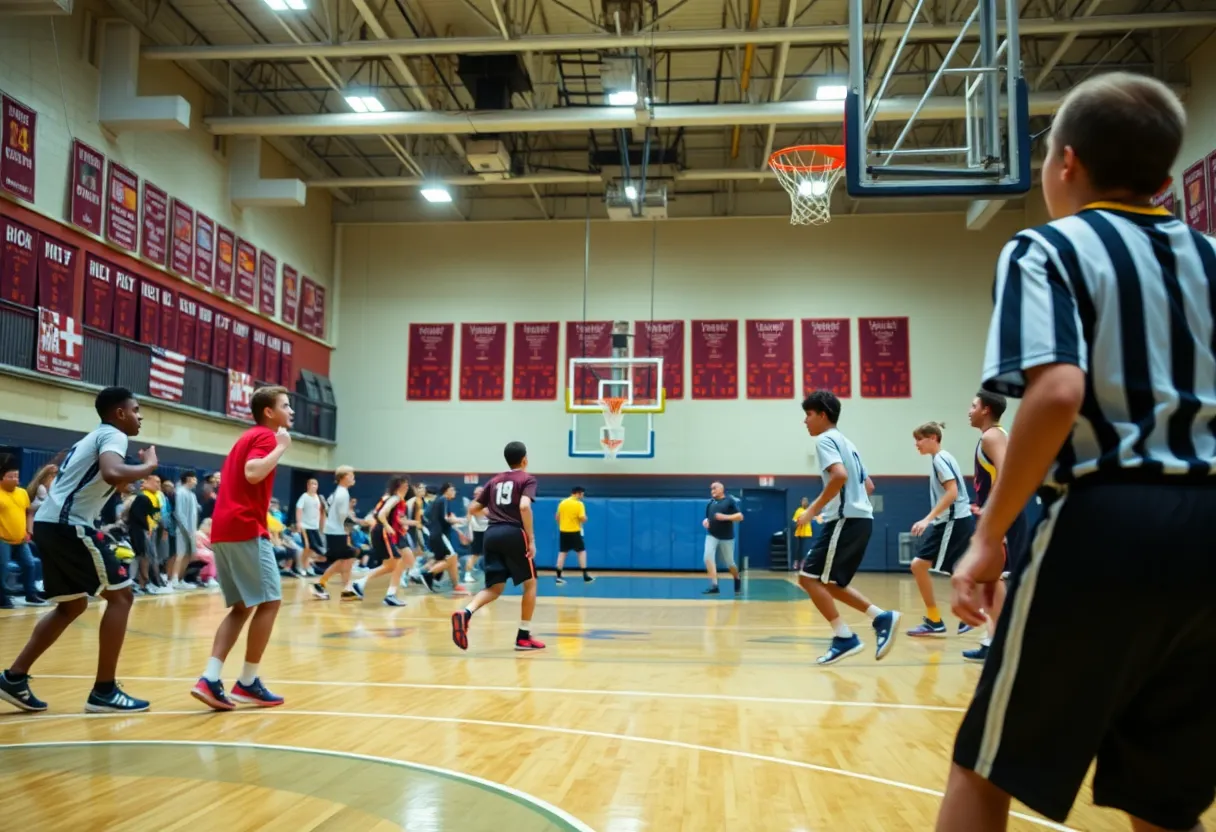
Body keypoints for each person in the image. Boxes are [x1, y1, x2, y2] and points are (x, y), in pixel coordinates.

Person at [938, 73, 1216, 832]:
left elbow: (1058, 391)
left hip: (1110, 515)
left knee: (985, 764)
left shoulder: (1047, 247)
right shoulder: (1209, 255)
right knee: (1165, 798)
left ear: (1065, 163)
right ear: (1164, 174)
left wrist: (989, 537)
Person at [0, 386, 158, 713]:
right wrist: (149, 466)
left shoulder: (96, 437)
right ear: (119, 413)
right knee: (122, 597)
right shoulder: (114, 435)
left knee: (71, 606)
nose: (140, 416)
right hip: (68, 525)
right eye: (136, 410)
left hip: (51, 524)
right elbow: (112, 472)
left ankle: (14, 677)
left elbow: (106, 478)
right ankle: (104, 691)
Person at [190, 385, 293, 711]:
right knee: (271, 601)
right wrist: (281, 448)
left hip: (224, 530)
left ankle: (210, 678)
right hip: (244, 527)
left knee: (242, 607)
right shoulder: (266, 436)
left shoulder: (246, 437)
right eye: (286, 405)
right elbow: (252, 473)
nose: (291, 411)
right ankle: (247, 682)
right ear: (269, 412)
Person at [796, 390, 899, 666]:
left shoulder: (825, 440)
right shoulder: (848, 443)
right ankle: (880, 617)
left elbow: (839, 476)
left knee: (808, 579)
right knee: (829, 583)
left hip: (845, 519)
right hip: (860, 519)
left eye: (808, 415)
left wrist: (813, 510)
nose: (805, 421)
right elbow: (869, 486)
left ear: (823, 415)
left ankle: (845, 637)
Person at [450, 441, 544, 652]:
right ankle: (523, 636)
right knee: (530, 583)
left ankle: (465, 612)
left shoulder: (495, 480)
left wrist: (493, 514)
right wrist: (531, 539)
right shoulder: (527, 479)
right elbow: (524, 506)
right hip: (513, 533)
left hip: (491, 534)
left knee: (494, 587)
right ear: (525, 460)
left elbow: (473, 508)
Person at [961, 391, 1028, 664]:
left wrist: (991, 510)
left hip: (1002, 517)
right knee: (989, 579)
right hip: (998, 515)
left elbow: (1006, 472)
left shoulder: (992, 436)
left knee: (991, 577)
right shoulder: (991, 436)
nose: (969, 410)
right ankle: (993, 640)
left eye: (973, 405)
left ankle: (1001, 641)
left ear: (986, 409)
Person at [905, 422, 975, 638]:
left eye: (920, 439)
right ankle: (940, 618)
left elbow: (952, 492)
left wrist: (927, 519)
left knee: (923, 566)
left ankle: (968, 612)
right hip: (956, 520)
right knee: (949, 568)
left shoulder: (940, 460)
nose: (916, 444)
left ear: (933, 437)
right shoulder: (944, 457)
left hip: (952, 521)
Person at [351, 476, 415, 607]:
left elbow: (384, 516)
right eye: (404, 484)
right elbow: (380, 515)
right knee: (396, 562)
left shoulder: (394, 499)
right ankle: (389, 593)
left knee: (398, 563)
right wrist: (387, 526)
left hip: (388, 532)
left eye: (407, 484)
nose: (407, 486)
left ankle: (362, 583)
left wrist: (405, 523)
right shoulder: (395, 498)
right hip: (384, 532)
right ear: (398, 485)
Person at [0, 457, 45, 608]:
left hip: (21, 538)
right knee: (2, 567)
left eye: (17, 476)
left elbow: (28, 513)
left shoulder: (22, 493)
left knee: (30, 564)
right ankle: (2, 597)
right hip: (2, 539)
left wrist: (28, 531)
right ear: (2, 478)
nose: (15, 479)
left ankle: (30, 594)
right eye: (11, 476)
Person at [313, 466, 358, 601]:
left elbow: (329, 506)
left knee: (346, 558)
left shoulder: (338, 492)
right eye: (351, 475)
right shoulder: (343, 494)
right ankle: (320, 584)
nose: (353, 477)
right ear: (343, 477)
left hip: (334, 530)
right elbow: (343, 515)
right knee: (346, 558)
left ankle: (347, 589)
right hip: (337, 531)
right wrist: (356, 524)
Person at [421, 482, 467, 594]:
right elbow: (447, 519)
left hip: (436, 534)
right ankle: (429, 574)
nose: (454, 492)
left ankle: (455, 585)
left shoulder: (439, 501)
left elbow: (427, 515)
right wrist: (461, 520)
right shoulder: (443, 500)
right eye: (452, 490)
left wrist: (458, 527)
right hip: (439, 535)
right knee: (452, 557)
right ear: (447, 491)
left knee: (448, 558)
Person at [701, 482, 742, 595]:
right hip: (711, 535)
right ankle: (714, 586)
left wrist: (725, 517)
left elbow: (740, 516)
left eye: (715, 488)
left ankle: (737, 577)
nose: (712, 491)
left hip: (726, 537)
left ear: (721, 489)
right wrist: (706, 521)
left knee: (730, 563)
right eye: (711, 489)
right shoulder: (710, 503)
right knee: (707, 557)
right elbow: (708, 518)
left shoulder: (729, 501)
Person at [127, 473, 165, 594]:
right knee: (143, 556)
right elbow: (136, 516)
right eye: (156, 482)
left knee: (149, 557)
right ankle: (143, 582)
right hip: (142, 531)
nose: (158, 485)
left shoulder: (156, 497)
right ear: (147, 482)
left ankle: (146, 583)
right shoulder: (142, 497)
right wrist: (148, 527)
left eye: (159, 482)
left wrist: (159, 527)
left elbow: (156, 515)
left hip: (151, 530)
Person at [554, 486, 594, 585]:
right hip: (575, 532)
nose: (583, 496)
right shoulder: (579, 504)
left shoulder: (562, 502)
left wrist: (563, 525)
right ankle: (585, 576)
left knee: (562, 553)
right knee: (581, 552)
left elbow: (557, 517)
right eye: (582, 494)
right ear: (578, 493)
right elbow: (582, 518)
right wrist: (585, 518)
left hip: (563, 531)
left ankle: (558, 577)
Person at [169, 471, 200, 589]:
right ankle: (174, 579)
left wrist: (193, 531)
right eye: (194, 479)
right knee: (180, 554)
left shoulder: (192, 495)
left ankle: (181, 579)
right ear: (188, 479)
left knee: (188, 554)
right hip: (182, 529)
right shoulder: (180, 492)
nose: (196, 481)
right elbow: (179, 512)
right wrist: (186, 529)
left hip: (191, 530)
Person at [295, 477, 325, 575]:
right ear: (308, 485)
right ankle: (301, 567)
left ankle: (307, 564)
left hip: (315, 527)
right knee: (307, 547)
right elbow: (299, 509)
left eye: (316, 484)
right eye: (312, 484)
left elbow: (321, 513)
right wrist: (298, 523)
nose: (314, 486)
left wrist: (321, 526)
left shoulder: (318, 498)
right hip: (305, 526)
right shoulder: (304, 496)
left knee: (318, 550)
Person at [463, 485, 487, 584]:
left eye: (482, 492)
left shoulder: (486, 503)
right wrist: (468, 532)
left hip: (487, 531)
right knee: (475, 555)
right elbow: (484, 513)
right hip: (478, 532)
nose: (480, 494)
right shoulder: (474, 505)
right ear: (475, 494)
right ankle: (467, 575)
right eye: (478, 493)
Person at [791, 496, 821, 573]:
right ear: (801, 502)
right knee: (798, 549)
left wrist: (817, 518)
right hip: (799, 532)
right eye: (803, 501)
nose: (804, 502)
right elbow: (795, 520)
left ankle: (803, 564)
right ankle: (796, 563)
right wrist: (799, 522)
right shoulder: (798, 510)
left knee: (805, 549)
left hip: (807, 533)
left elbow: (815, 518)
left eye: (806, 501)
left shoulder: (809, 510)